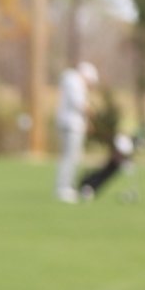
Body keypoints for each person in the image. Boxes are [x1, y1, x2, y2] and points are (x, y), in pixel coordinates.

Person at [55, 60, 98, 202]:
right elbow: (79, 104)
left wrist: (88, 121)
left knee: (70, 157)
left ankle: (66, 186)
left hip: (70, 125)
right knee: (70, 157)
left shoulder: (72, 82)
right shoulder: (74, 82)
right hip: (71, 126)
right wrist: (91, 112)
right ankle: (64, 188)